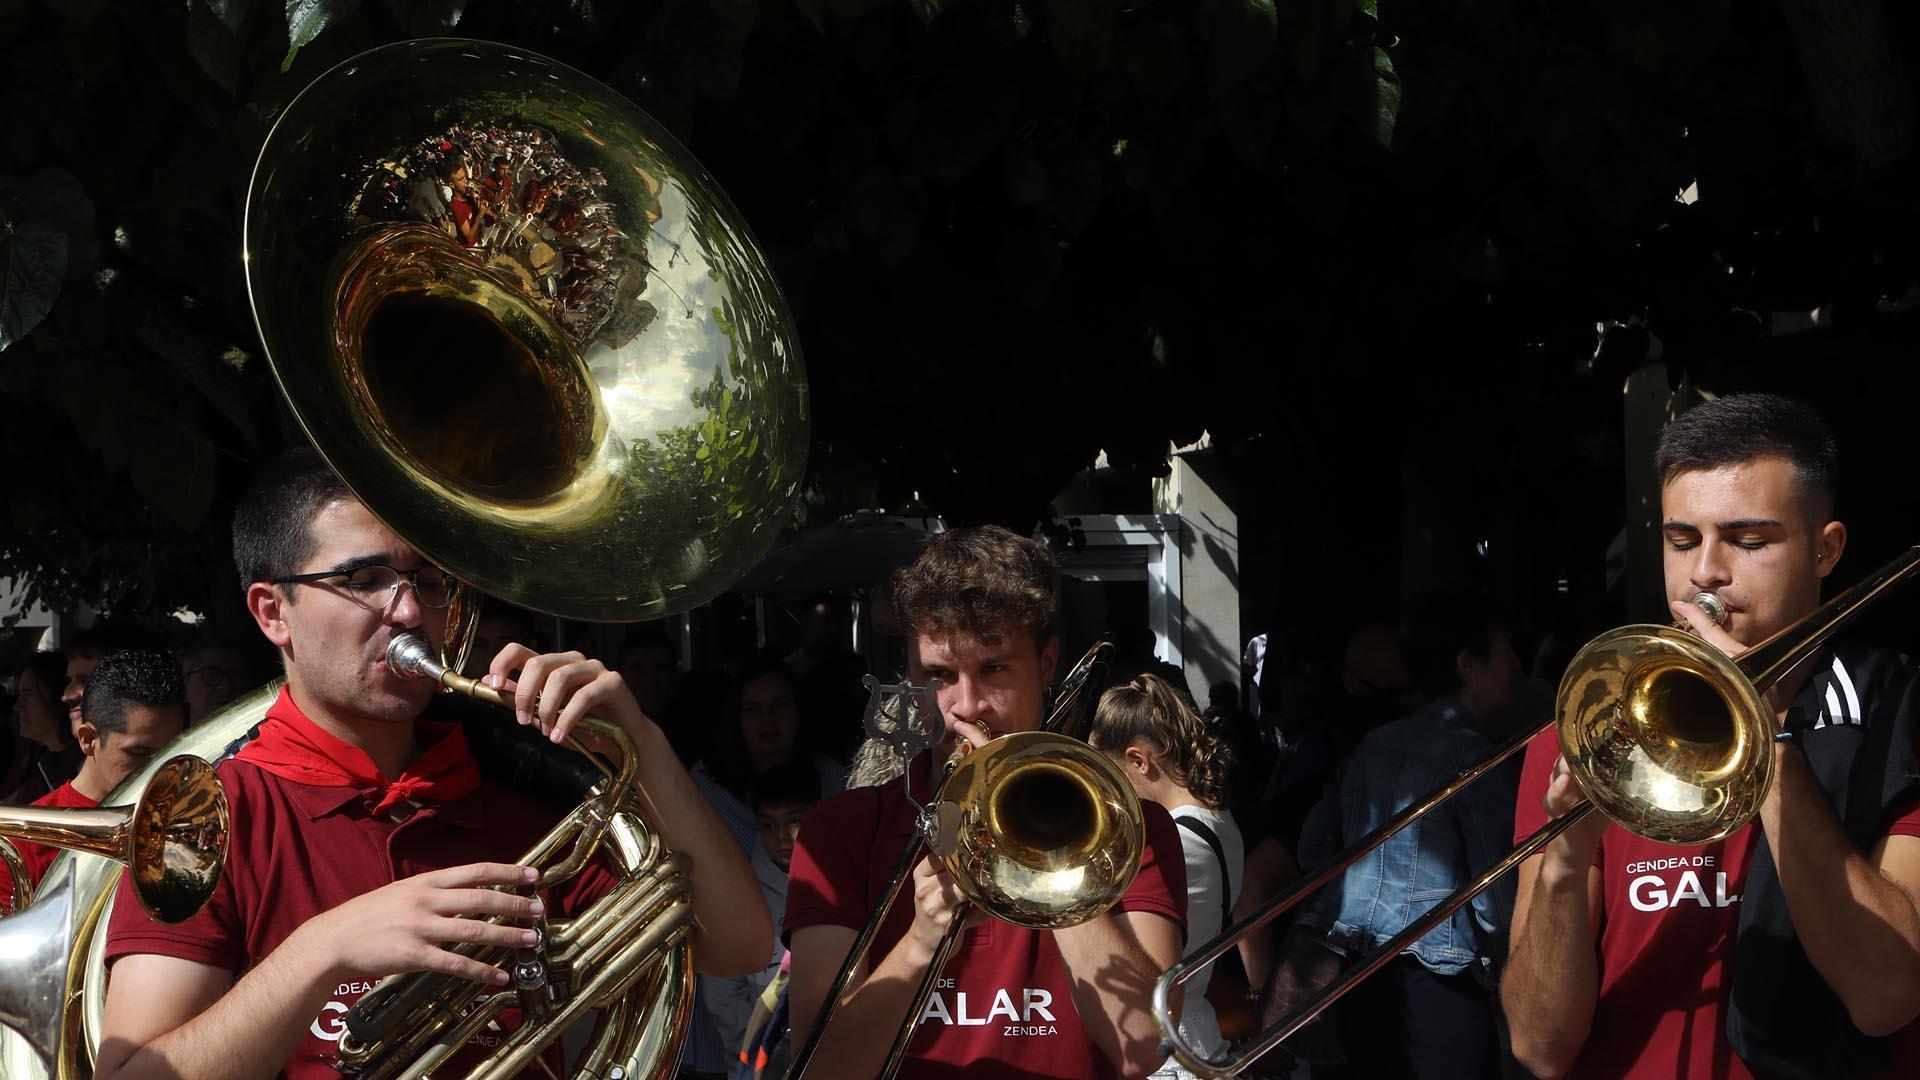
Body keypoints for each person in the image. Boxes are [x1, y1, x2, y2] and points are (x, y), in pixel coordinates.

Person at [94, 447, 770, 1080]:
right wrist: (320, 951)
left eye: (429, 580)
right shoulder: (206, 818)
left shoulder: (515, 792)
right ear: (275, 613)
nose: (412, 611)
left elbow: (736, 947)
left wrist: (642, 744)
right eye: (365, 580)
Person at [1505, 393, 1920, 1078]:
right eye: (1681, 540)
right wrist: (1564, 863)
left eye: (1749, 541)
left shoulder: (1896, 711)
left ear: (1826, 549)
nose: (1705, 573)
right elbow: (1539, 1050)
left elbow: (1886, 995)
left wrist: (1761, 734)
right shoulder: (1586, 727)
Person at [785, 525, 1188, 1080]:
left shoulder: (1127, 826)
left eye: (994, 669)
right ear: (910, 677)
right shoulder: (842, 831)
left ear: (1046, 664)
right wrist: (923, 940)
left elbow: (1146, 1050)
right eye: (940, 675)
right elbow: (820, 1071)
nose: (966, 705)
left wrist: (1052, 866)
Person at [1295, 597, 1520, 1079]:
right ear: (1468, 665)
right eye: (1505, 651)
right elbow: (1496, 895)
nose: (1516, 664)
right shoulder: (1472, 753)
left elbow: (1313, 847)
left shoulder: (1373, 742)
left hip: (1356, 975)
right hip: (1443, 983)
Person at [1089, 673, 1242, 1080]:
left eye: (1111, 775)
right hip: (1197, 1029)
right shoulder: (1219, 819)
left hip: (1169, 1044)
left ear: (1139, 761)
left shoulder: (1173, 840)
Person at [0, 648, 189, 908]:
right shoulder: (24, 845)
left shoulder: (186, 820)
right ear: (88, 740)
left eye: (171, 752)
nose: (160, 770)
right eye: (138, 753)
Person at [706, 762, 820, 1080]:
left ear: (820, 815)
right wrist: (768, 1050)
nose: (782, 836)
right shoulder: (738, 891)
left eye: (795, 821)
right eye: (769, 825)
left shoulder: (846, 882)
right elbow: (722, 995)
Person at [692, 654, 845, 853]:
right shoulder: (705, 785)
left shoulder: (834, 779)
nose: (767, 720)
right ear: (736, 718)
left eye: (779, 705)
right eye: (752, 709)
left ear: (799, 711)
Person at [3, 650, 81, 803]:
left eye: (28, 695)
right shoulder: (36, 760)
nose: (17, 706)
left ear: (58, 696)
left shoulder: (84, 766)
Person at [181, 639, 268, 725]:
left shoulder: (267, 737)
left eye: (237, 677)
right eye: (211, 675)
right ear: (185, 687)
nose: (226, 686)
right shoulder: (169, 737)